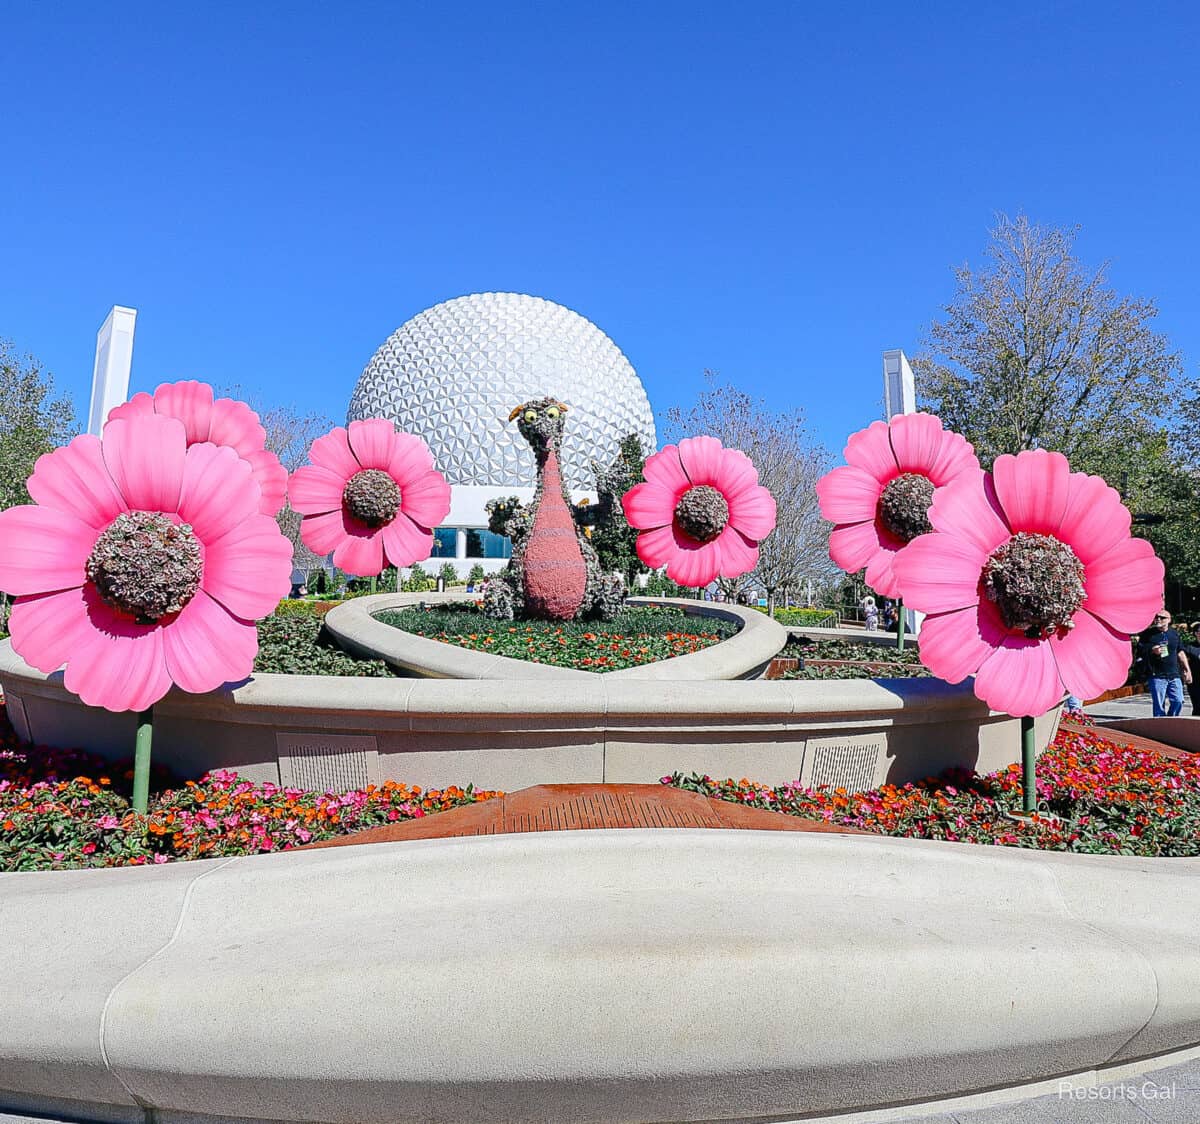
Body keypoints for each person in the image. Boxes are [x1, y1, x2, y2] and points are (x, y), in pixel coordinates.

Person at [1136, 609, 1192, 717]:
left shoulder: (1174, 634)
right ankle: (1160, 727)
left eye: (1162, 617)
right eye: (1157, 617)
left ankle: (1171, 720)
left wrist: (1187, 670)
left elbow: (1180, 652)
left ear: (1169, 620)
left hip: (1174, 674)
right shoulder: (1147, 635)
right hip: (1156, 675)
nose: (1158, 619)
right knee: (1159, 706)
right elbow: (1140, 651)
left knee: (1178, 701)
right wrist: (1152, 650)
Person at [1184, 623, 1200, 716]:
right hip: (1195, 681)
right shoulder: (1190, 647)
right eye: (1199, 632)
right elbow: (1183, 662)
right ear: (1195, 633)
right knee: (1197, 705)